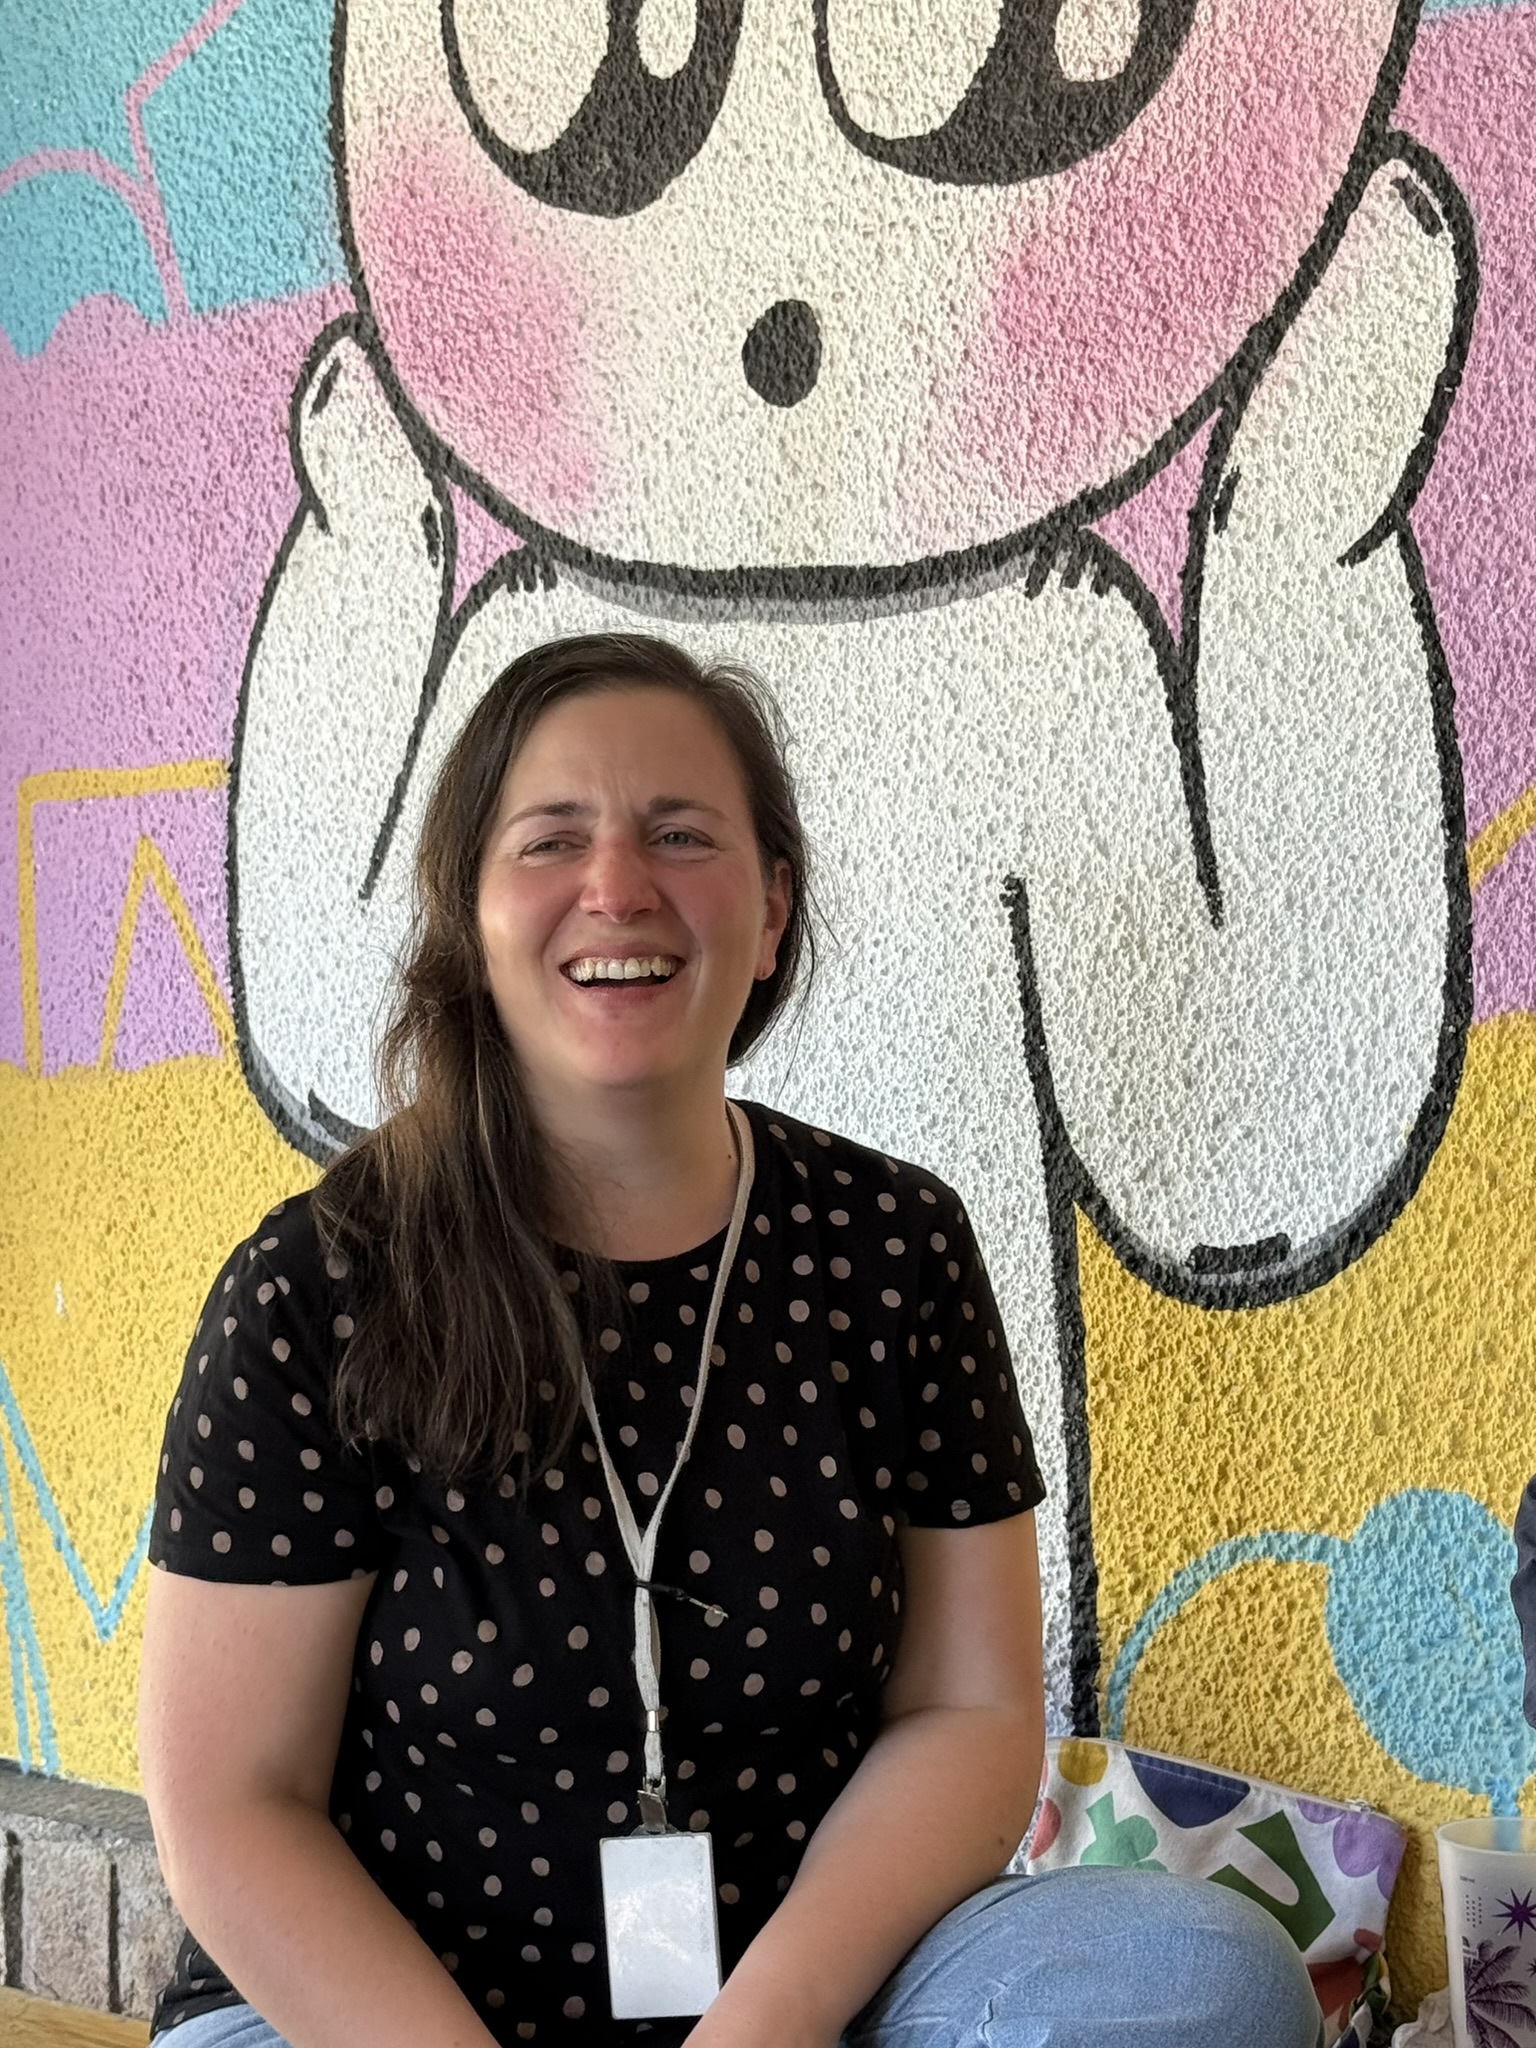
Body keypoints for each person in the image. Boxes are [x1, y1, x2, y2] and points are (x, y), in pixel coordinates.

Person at [139, 633, 1322, 2048]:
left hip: (809, 1994)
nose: (617, 886)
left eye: (680, 834)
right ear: (469, 916)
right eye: (551, 839)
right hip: (375, 2014)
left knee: (1206, 1976)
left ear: (770, 913)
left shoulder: (895, 1247)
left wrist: (774, 2020)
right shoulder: (316, 1285)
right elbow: (233, 1808)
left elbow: (971, 1712)